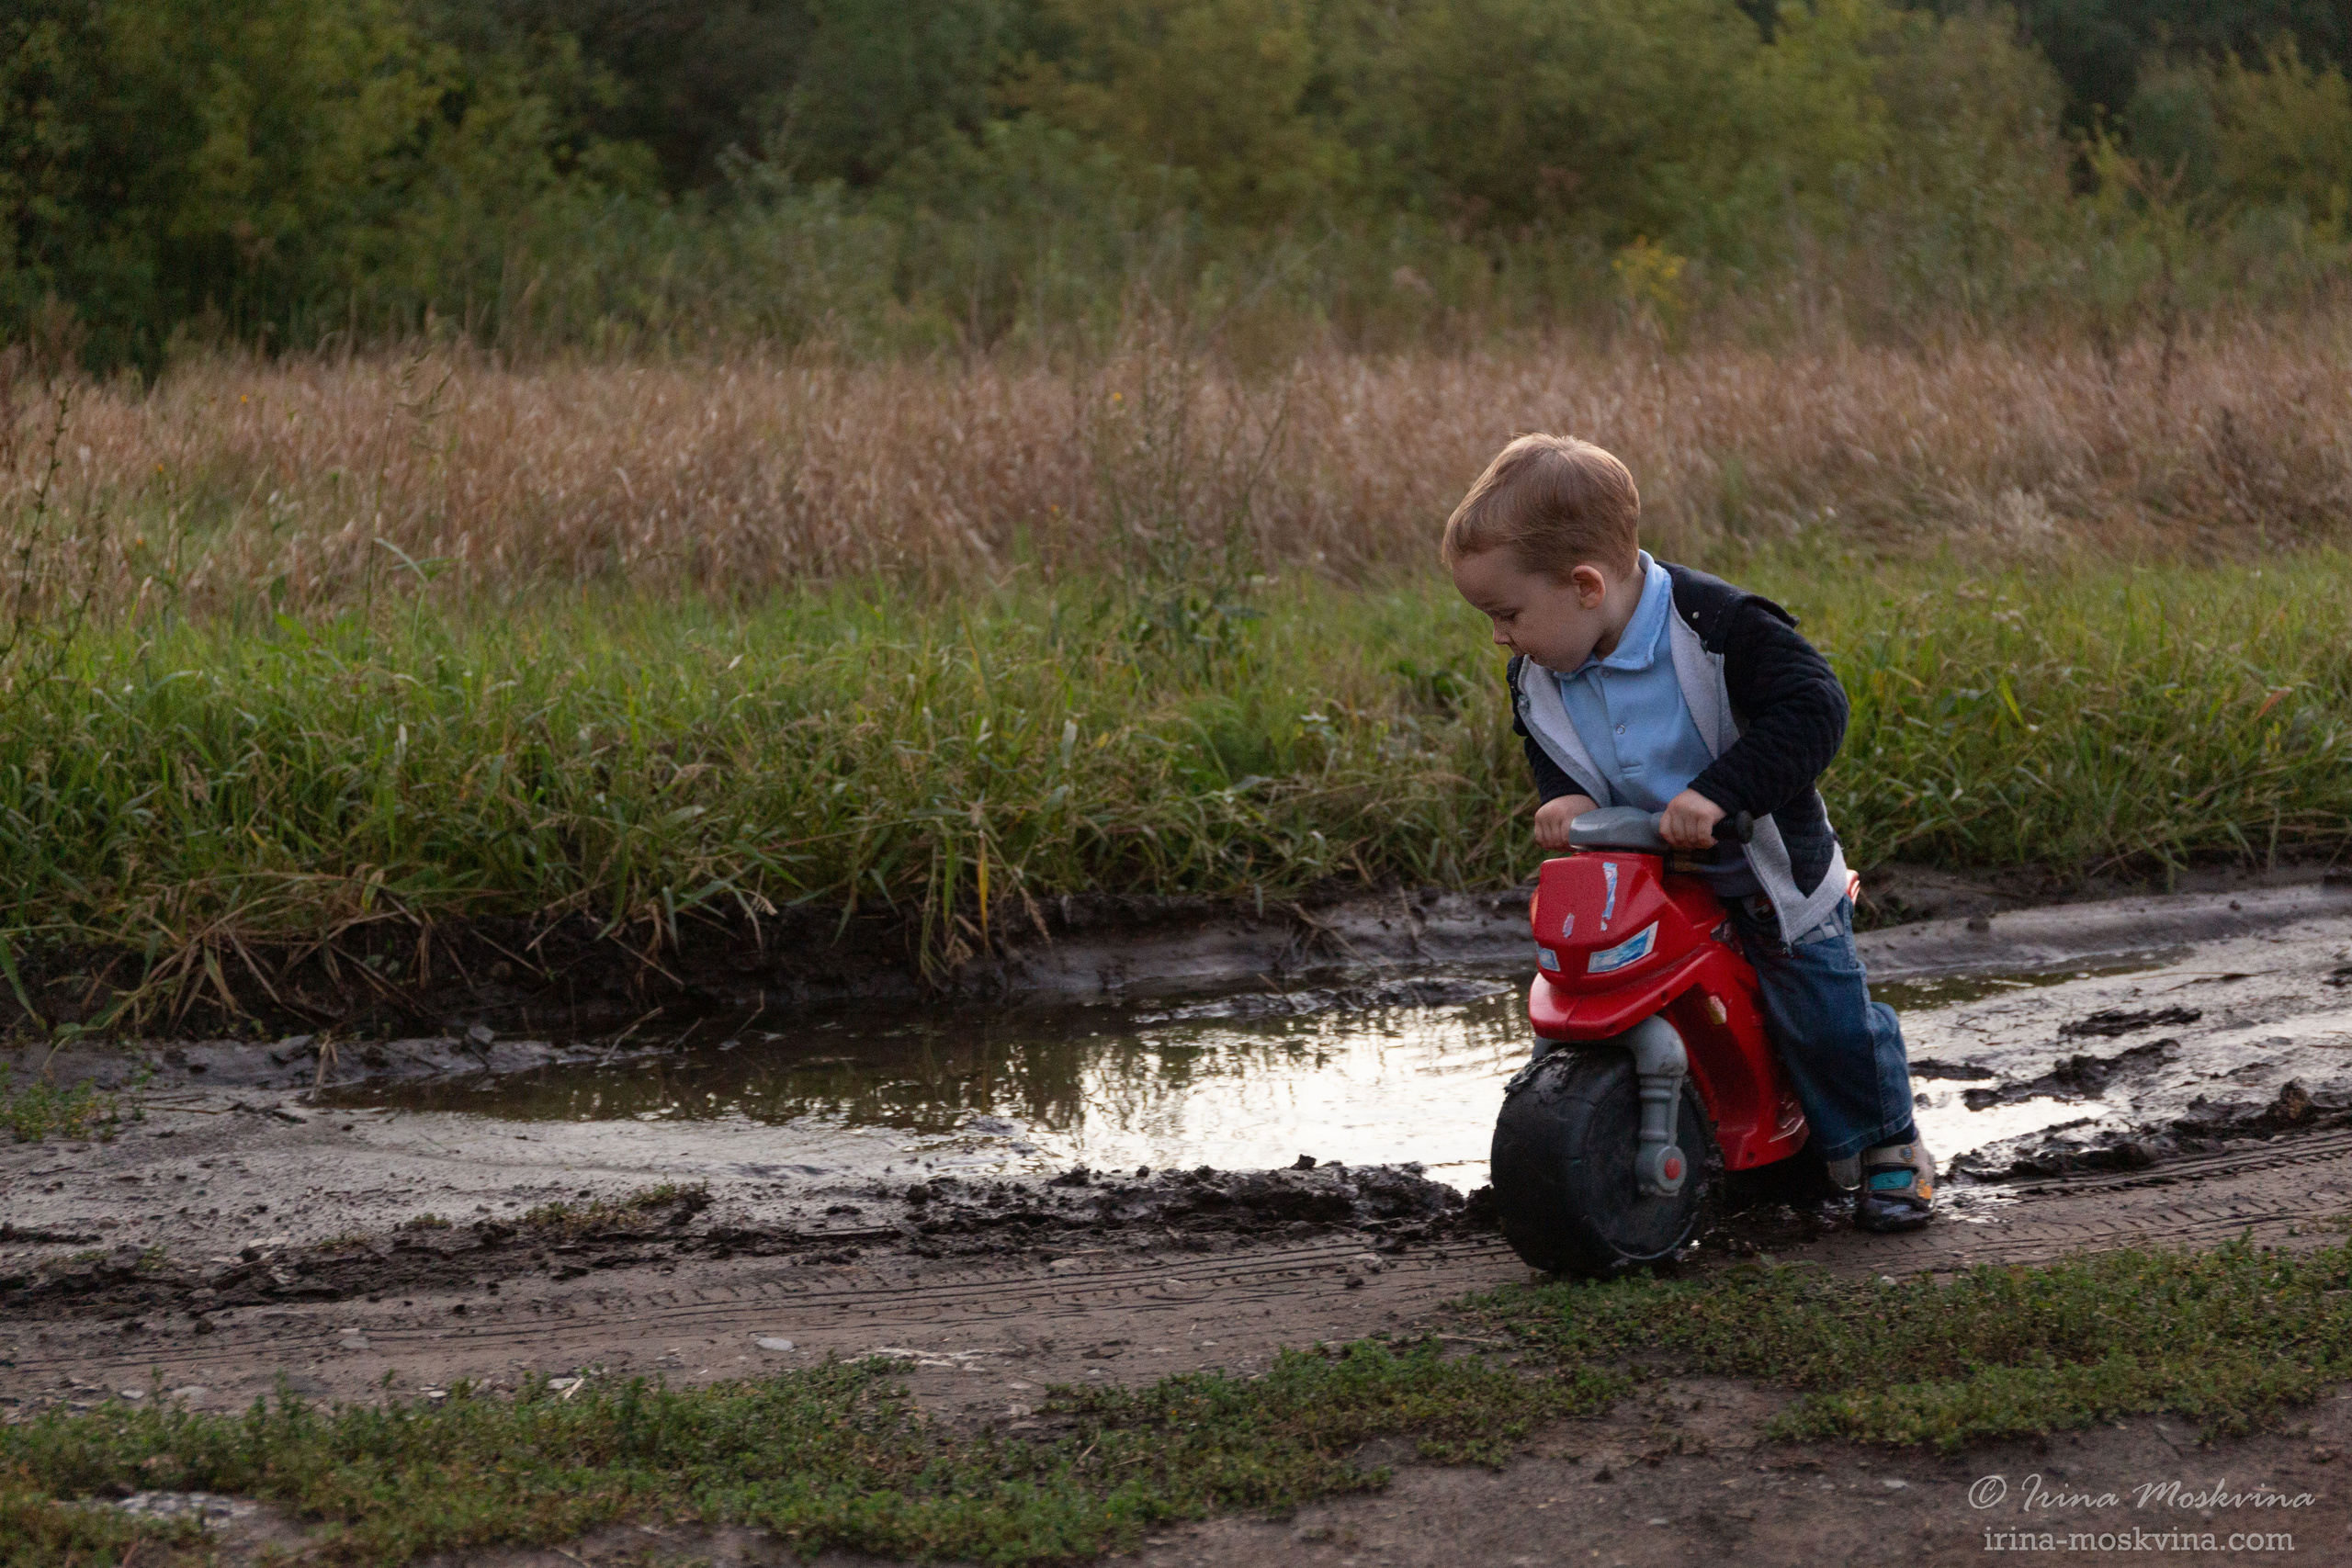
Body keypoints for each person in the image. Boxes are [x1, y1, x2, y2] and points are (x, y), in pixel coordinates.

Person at [1442, 432, 1932, 1232]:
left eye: (1507, 613)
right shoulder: (1540, 668)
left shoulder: (1720, 628)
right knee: (1612, 990)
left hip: (1767, 873)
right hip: (1646, 876)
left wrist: (1720, 793)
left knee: (1820, 1009)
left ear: (1585, 585)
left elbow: (1816, 709)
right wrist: (1564, 795)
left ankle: (1887, 1151)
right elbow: (1546, 736)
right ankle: (1664, 1123)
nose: (1500, 634)